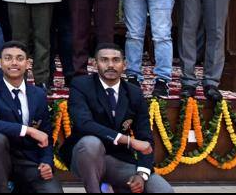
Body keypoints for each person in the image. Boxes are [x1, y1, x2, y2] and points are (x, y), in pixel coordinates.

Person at [63, 44, 174, 193]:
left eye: (116, 60)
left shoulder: (134, 93)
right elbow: (84, 124)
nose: (110, 65)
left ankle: (111, 186)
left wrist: (141, 175)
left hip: (117, 159)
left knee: (163, 190)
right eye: (104, 60)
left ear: (124, 64)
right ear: (95, 64)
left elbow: (145, 138)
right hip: (84, 157)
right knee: (91, 143)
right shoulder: (81, 85)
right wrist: (128, 141)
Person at [0, 41, 61, 193]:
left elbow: (45, 134)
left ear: (27, 64)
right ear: (0, 63)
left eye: (19, 58)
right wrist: (28, 130)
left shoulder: (38, 94)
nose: (14, 62)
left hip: (29, 160)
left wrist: (47, 161)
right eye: (8, 58)